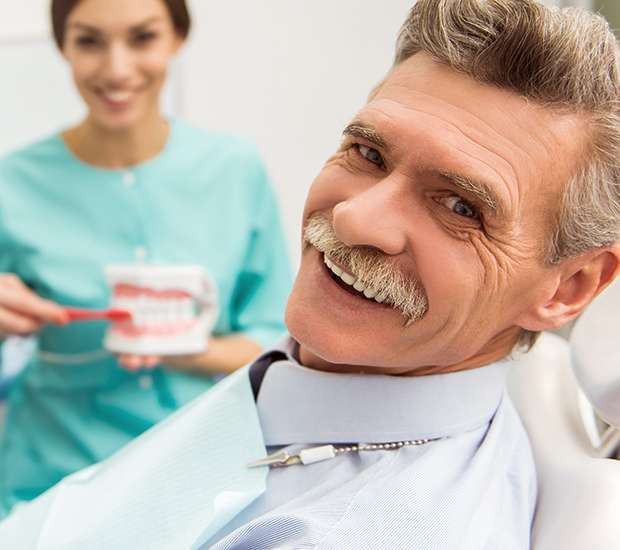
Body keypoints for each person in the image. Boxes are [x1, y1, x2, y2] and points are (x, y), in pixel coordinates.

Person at [2, 0, 620, 548]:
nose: (354, 219)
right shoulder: (306, 376)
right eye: (369, 153)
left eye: (460, 206)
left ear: (568, 288)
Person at [0, 0, 291, 517]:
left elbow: (277, 343)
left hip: (201, 483)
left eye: (142, 38)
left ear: (178, 38)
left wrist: (185, 349)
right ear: (62, 46)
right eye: (89, 41)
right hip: (45, 486)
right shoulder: (11, 185)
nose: (116, 69)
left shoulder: (234, 170)